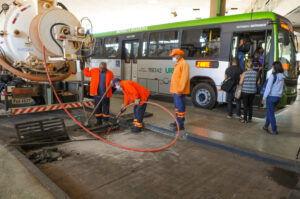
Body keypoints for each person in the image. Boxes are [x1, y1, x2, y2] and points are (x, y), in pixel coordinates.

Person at [169, 48, 190, 131]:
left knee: (180, 108)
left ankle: (180, 125)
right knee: (177, 108)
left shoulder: (184, 63)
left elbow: (184, 78)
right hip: (176, 90)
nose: (174, 57)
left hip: (179, 91)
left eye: (174, 55)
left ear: (179, 55)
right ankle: (177, 121)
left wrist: (180, 90)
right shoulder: (178, 63)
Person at [262, 61, 285, 134]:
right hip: (278, 97)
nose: (272, 68)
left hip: (272, 97)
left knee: (271, 114)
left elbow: (268, 88)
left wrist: (264, 98)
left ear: (275, 68)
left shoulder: (273, 76)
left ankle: (274, 130)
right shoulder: (282, 76)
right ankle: (265, 126)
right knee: (269, 111)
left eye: (273, 66)